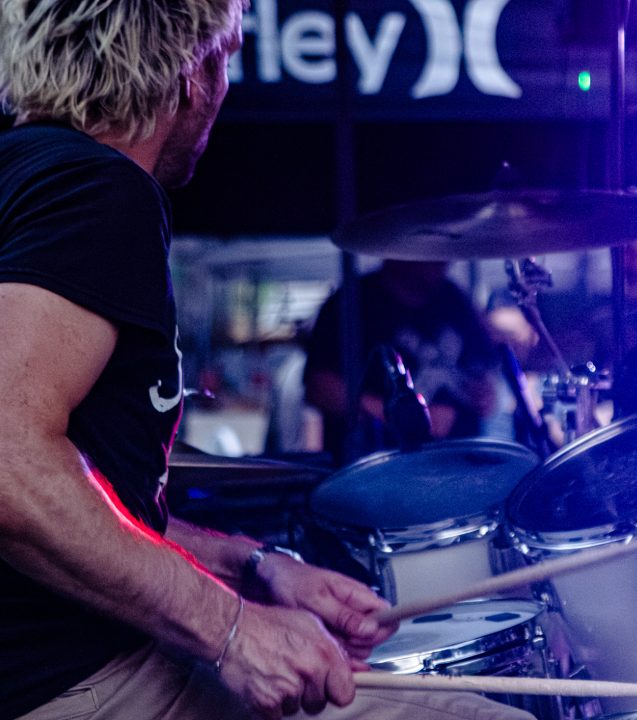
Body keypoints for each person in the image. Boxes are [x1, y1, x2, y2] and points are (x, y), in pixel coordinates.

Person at [0, 3, 531, 719]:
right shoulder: (98, 191)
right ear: (191, 75)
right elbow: (10, 462)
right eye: (228, 61)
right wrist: (231, 631)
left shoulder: (27, 177)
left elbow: (94, 501)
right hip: (76, 681)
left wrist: (252, 567)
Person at [303, 260, 498, 464]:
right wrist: (408, 417)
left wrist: (485, 395)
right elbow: (320, 388)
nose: (443, 260)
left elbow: (483, 370)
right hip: (380, 472)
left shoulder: (455, 299)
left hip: (460, 468)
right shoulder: (352, 302)